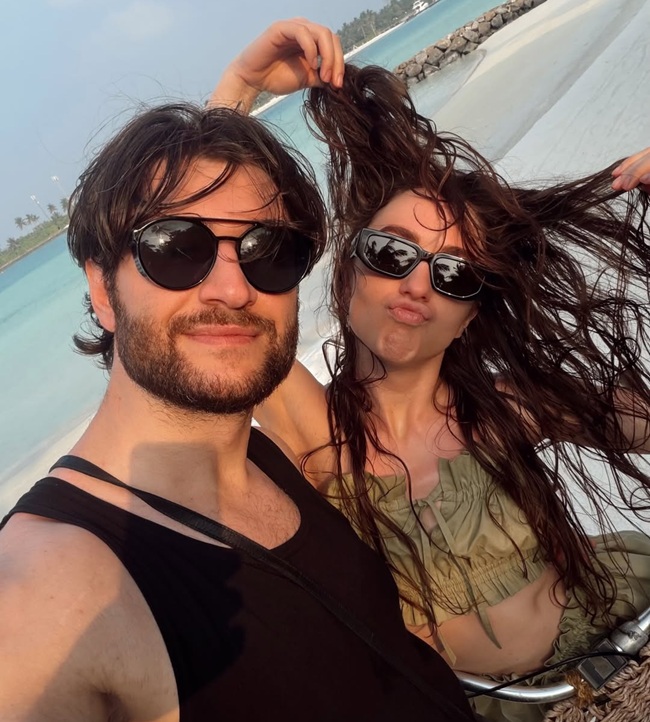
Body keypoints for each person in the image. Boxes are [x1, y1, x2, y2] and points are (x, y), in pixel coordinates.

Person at [211, 20, 650, 722]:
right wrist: (239, 86)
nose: (419, 284)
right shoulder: (315, 431)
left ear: (469, 314)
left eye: (453, 274)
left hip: (625, 626)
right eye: (393, 254)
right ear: (349, 271)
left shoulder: (508, 408)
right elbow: (213, 267)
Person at [0, 104, 479, 721]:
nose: (233, 289)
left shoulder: (267, 458)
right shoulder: (45, 590)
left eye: (268, 251)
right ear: (102, 290)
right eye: (176, 248)